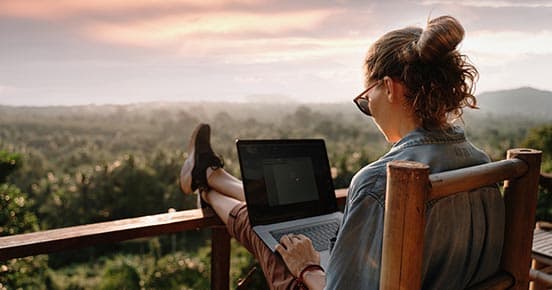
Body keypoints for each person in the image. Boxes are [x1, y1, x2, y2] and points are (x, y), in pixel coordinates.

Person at [179, 15, 504, 290]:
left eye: (366, 99)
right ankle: (210, 175)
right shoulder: (483, 165)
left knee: (268, 232)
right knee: (280, 217)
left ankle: (207, 186)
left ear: (389, 88)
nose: (369, 109)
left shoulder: (381, 181)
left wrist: (307, 267)